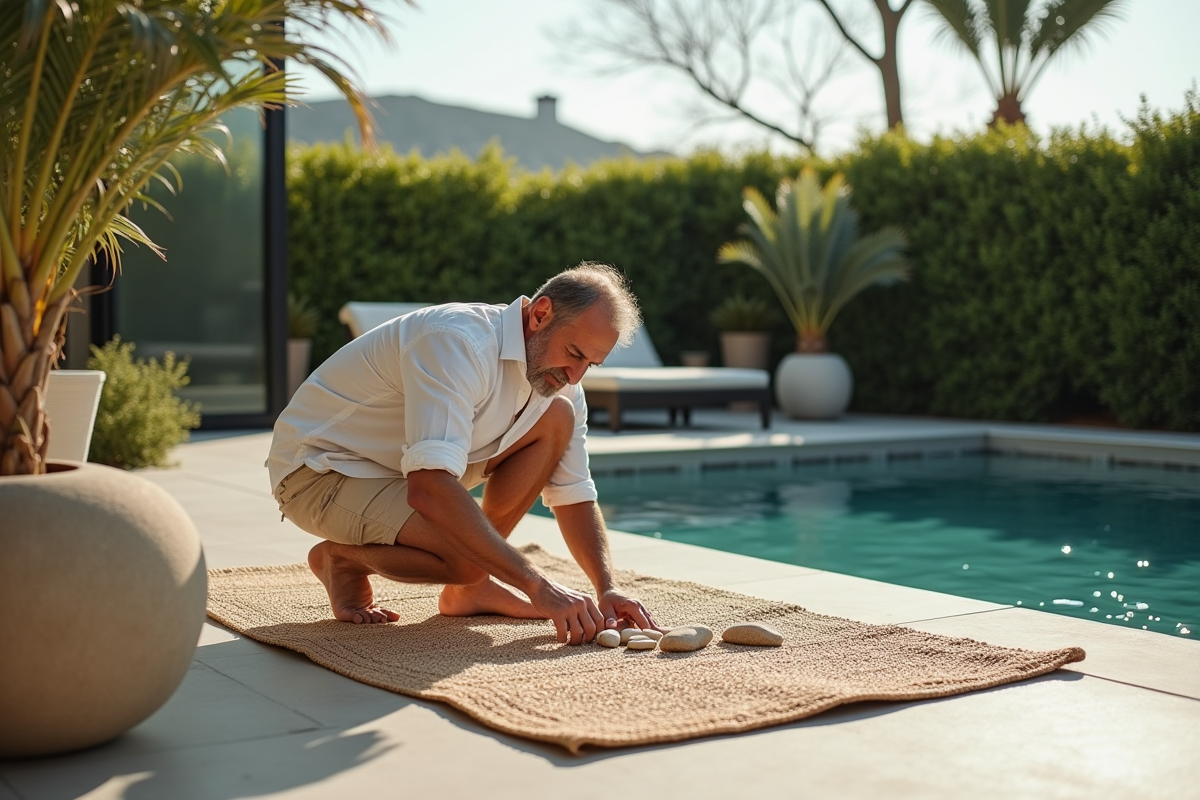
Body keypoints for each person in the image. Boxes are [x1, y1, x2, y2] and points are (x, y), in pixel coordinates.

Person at [267, 263, 660, 644]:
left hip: (401, 468)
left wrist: (608, 588)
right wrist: (536, 584)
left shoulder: (561, 383)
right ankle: (343, 561)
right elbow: (429, 487)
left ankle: (469, 589)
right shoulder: (457, 342)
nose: (576, 375)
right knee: (469, 559)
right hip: (318, 471)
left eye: (590, 364)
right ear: (541, 314)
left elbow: (574, 493)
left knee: (560, 415)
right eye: (574, 353)